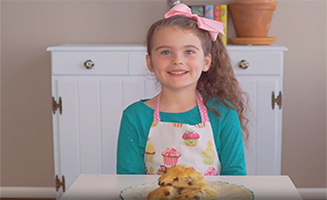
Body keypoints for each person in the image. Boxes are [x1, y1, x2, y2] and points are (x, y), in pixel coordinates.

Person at [117, 3, 249, 176]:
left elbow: (236, 179)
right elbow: (128, 184)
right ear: (150, 62)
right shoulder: (135, 117)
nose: (177, 60)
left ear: (206, 62)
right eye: (165, 52)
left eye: (189, 51)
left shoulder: (223, 113)